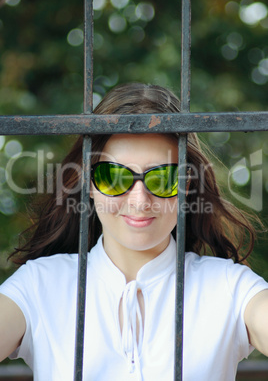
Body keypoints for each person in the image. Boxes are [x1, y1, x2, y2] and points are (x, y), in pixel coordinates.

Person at [0, 82, 268, 381]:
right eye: (114, 177)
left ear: (188, 185)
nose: (139, 201)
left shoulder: (229, 288)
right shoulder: (40, 285)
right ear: (89, 183)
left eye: (163, 179)